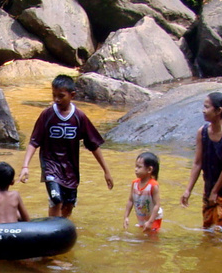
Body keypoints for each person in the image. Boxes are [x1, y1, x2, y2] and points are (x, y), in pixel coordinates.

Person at [19, 75, 113, 217]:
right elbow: (34, 142)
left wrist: (106, 171)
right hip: (51, 166)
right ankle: (52, 232)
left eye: (61, 96)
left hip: (71, 170)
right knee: (56, 199)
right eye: (54, 95)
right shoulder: (47, 115)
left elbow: (93, 145)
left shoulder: (79, 117)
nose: (56, 100)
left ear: (72, 95)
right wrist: (25, 166)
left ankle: (63, 232)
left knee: (68, 206)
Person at [180, 92, 222, 230]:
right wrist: (188, 190)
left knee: (219, 226)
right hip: (211, 182)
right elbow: (197, 163)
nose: (203, 110)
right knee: (208, 226)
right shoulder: (202, 132)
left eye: (207, 107)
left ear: (219, 110)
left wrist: (215, 192)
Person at [123, 151, 162, 232]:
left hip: (154, 218)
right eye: (135, 166)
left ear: (149, 169)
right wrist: (126, 217)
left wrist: (150, 222)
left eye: (139, 167)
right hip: (142, 217)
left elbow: (157, 205)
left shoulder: (153, 185)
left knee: (152, 238)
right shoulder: (134, 184)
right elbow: (130, 200)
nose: (135, 169)